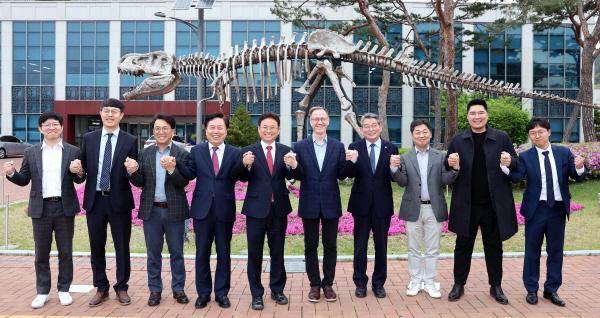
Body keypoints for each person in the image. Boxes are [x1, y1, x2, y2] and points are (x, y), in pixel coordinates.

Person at [4, 112, 85, 309]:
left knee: (65, 251)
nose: (51, 128)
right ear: (40, 129)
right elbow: (24, 179)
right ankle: (42, 291)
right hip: (41, 208)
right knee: (41, 253)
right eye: (47, 125)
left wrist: (79, 171)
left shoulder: (73, 151)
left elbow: (80, 179)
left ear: (61, 128)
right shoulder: (31, 152)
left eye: (55, 124)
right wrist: (12, 174)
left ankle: (64, 289)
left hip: (64, 207)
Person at [445, 99, 519, 305]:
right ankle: (458, 284)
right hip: (466, 204)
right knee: (462, 246)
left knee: (494, 247)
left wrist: (510, 161)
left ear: (487, 115)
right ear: (467, 116)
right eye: (472, 113)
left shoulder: (501, 137)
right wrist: (449, 162)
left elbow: (515, 163)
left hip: (494, 205)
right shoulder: (458, 139)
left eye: (480, 113)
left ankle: (496, 286)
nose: (476, 117)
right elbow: (447, 165)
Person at [508, 117, 586, 307]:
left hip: (557, 209)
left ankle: (552, 290)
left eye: (540, 132)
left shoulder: (563, 152)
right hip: (536, 210)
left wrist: (579, 166)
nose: (536, 136)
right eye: (532, 133)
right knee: (532, 251)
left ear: (549, 132)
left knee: (555, 251)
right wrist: (506, 165)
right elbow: (517, 177)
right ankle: (531, 290)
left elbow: (575, 175)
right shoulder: (526, 156)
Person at [73, 98, 138, 307]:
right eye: (107, 111)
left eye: (115, 112)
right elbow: (81, 174)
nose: (110, 115)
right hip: (95, 202)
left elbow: (136, 177)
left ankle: (121, 287)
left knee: (122, 246)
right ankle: (101, 287)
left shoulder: (130, 140)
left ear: (121, 116)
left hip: (119, 202)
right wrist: (77, 171)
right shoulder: (89, 138)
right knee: (96, 246)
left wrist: (133, 170)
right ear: (100, 113)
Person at [125, 114, 190, 307]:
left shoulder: (182, 154)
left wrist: (172, 170)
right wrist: (132, 172)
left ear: (172, 131)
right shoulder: (144, 153)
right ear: (153, 131)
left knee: (176, 253)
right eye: (157, 128)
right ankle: (155, 290)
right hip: (152, 211)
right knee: (153, 254)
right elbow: (140, 182)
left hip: (175, 210)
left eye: (165, 128)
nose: (161, 132)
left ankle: (178, 289)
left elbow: (183, 182)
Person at [239, 112, 302, 310]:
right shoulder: (249, 151)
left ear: (278, 130)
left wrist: (294, 166)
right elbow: (241, 177)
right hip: (255, 210)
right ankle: (256, 294)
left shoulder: (286, 151)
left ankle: (277, 290)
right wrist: (245, 165)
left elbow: (296, 175)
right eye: (265, 127)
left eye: (272, 127)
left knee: (278, 252)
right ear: (259, 129)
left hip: (279, 209)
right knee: (254, 254)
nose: (268, 130)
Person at [180, 113, 244, 309]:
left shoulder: (235, 153)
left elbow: (239, 176)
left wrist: (246, 165)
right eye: (212, 128)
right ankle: (203, 293)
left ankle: (222, 293)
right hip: (202, 210)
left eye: (220, 128)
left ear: (225, 131)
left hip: (224, 209)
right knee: (202, 254)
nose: (216, 131)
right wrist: (175, 167)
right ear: (206, 130)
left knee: (224, 253)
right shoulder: (197, 151)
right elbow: (189, 174)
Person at [390, 119, 459, 299]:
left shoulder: (440, 156)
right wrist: (394, 169)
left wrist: (455, 168)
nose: (421, 135)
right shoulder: (405, 157)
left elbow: (445, 180)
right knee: (413, 248)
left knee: (432, 249)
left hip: (433, 208)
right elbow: (402, 182)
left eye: (424, 131)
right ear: (412, 135)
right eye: (417, 132)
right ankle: (415, 280)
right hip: (413, 208)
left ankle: (429, 281)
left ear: (430, 134)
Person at [293, 106, 349, 303]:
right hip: (309, 202)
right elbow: (297, 175)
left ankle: (328, 284)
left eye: (322, 118)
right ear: (310, 121)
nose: (319, 122)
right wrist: (292, 166)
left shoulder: (337, 146)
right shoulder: (300, 146)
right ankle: (314, 285)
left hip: (331, 202)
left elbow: (342, 174)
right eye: (315, 118)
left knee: (330, 245)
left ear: (328, 121)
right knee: (310, 245)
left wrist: (350, 162)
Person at [346, 113, 398, 299]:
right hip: (361, 205)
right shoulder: (355, 147)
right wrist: (351, 161)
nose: (370, 128)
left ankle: (378, 284)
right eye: (366, 126)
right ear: (362, 129)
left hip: (382, 205)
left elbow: (394, 178)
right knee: (360, 246)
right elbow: (349, 174)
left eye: (373, 125)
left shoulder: (391, 148)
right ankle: (360, 283)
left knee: (381, 246)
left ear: (380, 126)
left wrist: (394, 168)